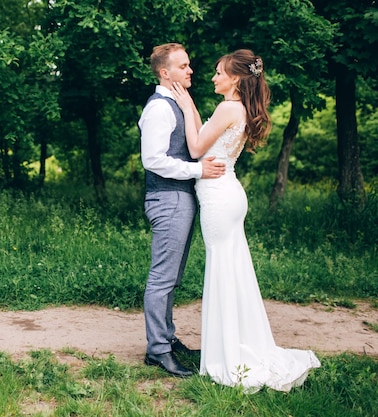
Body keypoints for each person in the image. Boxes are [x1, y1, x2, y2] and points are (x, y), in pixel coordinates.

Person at [170, 49, 321, 392]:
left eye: (219, 72)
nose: (213, 77)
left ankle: (227, 355)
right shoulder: (235, 108)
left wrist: (184, 105)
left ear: (235, 78)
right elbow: (205, 140)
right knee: (234, 270)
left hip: (218, 198)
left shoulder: (228, 108)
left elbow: (195, 150)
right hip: (228, 194)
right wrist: (190, 104)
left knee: (224, 271)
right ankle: (236, 344)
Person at [139, 43, 226, 377]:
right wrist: (199, 171)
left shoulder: (177, 103)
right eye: (184, 66)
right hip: (168, 200)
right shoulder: (159, 108)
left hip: (181, 199)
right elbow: (154, 160)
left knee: (172, 277)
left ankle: (167, 338)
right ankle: (158, 351)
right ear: (166, 72)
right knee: (162, 278)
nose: (191, 71)